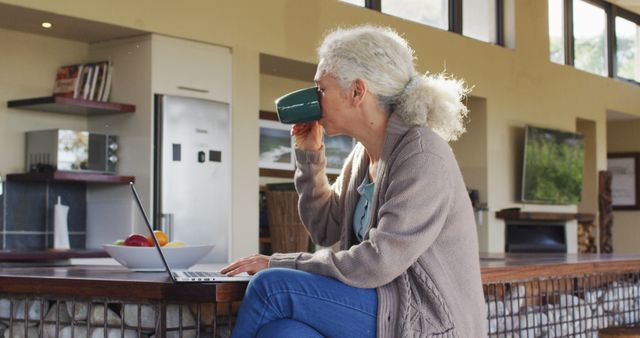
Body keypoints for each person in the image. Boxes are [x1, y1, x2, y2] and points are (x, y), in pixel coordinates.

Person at [221, 25, 487, 337]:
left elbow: (379, 261)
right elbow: (324, 227)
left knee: (271, 287)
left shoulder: (422, 153)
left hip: (424, 320)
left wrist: (280, 263)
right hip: (381, 305)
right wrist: (310, 158)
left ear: (357, 91)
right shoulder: (363, 156)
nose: (315, 99)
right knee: (283, 332)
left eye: (321, 89)